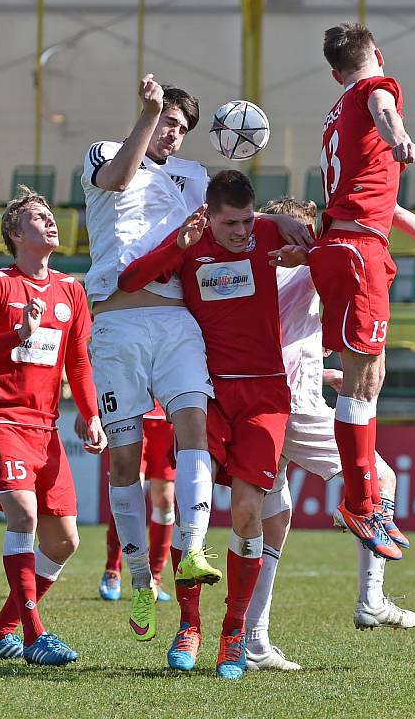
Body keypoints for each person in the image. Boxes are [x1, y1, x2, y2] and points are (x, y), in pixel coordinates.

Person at [82, 74, 308, 643]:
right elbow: (119, 179)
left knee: (193, 431)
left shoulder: (192, 178)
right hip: (115, 321)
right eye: (167, 123)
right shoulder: (107, 152)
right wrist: (148, 114)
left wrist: (281, 220)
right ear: (146, 117)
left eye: (182, 129)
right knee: (125, 461)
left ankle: (194, 549)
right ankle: (137, 576)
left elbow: (233, 220)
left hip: (174, 319)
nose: (173, 135)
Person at [247, 196, 415, 670]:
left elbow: (279, 340)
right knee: (380, 480)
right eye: (304, 228)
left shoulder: (259, 268)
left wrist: (324, 373)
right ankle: (371, 600)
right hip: (295, 407)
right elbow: (383, 214)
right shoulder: (309, 264)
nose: (311, 235)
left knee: (272, 519)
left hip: (264, 403)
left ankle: (255, 638)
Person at [117, 171, 293, 679]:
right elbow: (130, 282)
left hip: (264, 394)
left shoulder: (269, 232)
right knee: (193, 507)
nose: (243, 232)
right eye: (232, 223)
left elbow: (320, 235)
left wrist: (293, 238)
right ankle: (188, 624)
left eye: (248, 220)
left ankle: (233, 633)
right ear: (210, 215)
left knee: (244, 512)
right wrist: (180, 242)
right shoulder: (191, 244)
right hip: (208, 391)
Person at [0, 186, 106, 667]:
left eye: (52, 216)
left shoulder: (71, 290)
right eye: (40, 217)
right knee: (23, 516)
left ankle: (0, 633)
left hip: (46, 427)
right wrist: (16, 334)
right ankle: (36, 636)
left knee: (64, 541)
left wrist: (90, 413)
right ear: (17, 234)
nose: (52, 222)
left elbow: (78, 361)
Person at [303, 22, 415, 560]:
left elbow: (382, 202)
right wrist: (399, 136)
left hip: (345, 244)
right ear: (377, 53)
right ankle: (362, 501)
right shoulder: (375, 89)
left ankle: (369, 501)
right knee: (361, 383)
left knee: (370, 375)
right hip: (356, 250)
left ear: (332, 72)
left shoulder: (334, 117)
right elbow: (383, 107)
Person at [74, 405, 175, 602]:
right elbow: (99, 372)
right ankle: (113, 571)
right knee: (126, 496)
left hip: (166, 417)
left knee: (165, 501)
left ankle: (154, 577)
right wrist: (88, 407)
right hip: (128, 414)